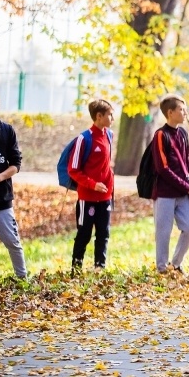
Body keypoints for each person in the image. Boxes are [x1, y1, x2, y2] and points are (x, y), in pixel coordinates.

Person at [151, 94, 189, 275]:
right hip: (164, 193)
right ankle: (162, 269)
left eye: (185, 109)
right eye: (181, 109)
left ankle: (176, 264)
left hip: (182, 193)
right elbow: (163, 169)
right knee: (163, 232)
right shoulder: (160, 135)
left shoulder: (183, 133)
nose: (185, 112)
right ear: (170, 113)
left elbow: (185, 161)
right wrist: (188, 187)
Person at [67, 99, 115, 275]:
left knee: (103, 233)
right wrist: (93, 185)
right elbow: (73, 170)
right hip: (87, 198)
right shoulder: (84, 139)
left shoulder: (109, 135)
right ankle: (76, 268)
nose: (113, 118)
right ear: (99, 116)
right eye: (110, 115)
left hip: (105, 197)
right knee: (84, 233)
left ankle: (99, 267)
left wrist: (109, 186)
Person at [0, 89, 27, 279]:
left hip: (1, 197)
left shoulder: (6, 131)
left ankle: (22, 279)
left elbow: (16, 165)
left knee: (11, 240)